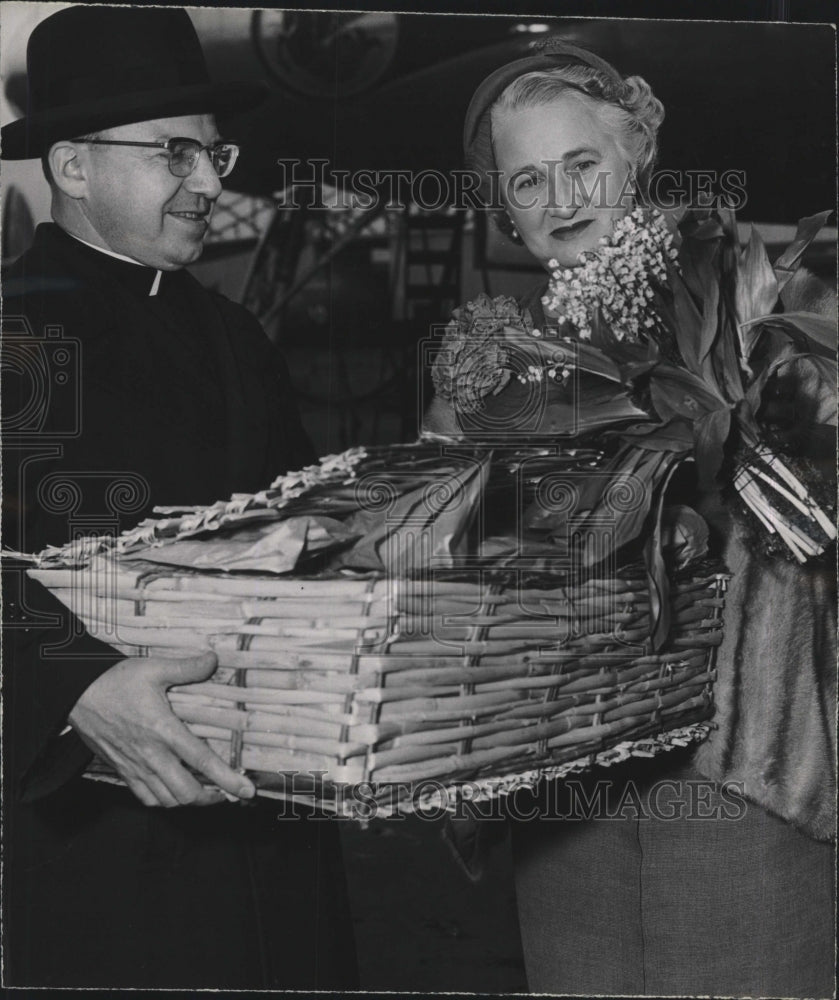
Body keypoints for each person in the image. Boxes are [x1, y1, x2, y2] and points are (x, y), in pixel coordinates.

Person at [425, 38, 836, 997]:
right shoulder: (496, 363)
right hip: (563, 770)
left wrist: (741, 471)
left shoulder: (774, 305)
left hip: (741, 760)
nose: (561, 200)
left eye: (583, 164)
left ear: (639, 151)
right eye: (528, 180)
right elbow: (441, 561)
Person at [1, 7, 357, 989]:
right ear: (73, 167)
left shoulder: (237, 337)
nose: (209, 183)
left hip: (274, 824)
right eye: (175, 154)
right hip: (92, 843)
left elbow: (306, 529)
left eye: (213, 154)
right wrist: (71, 685)